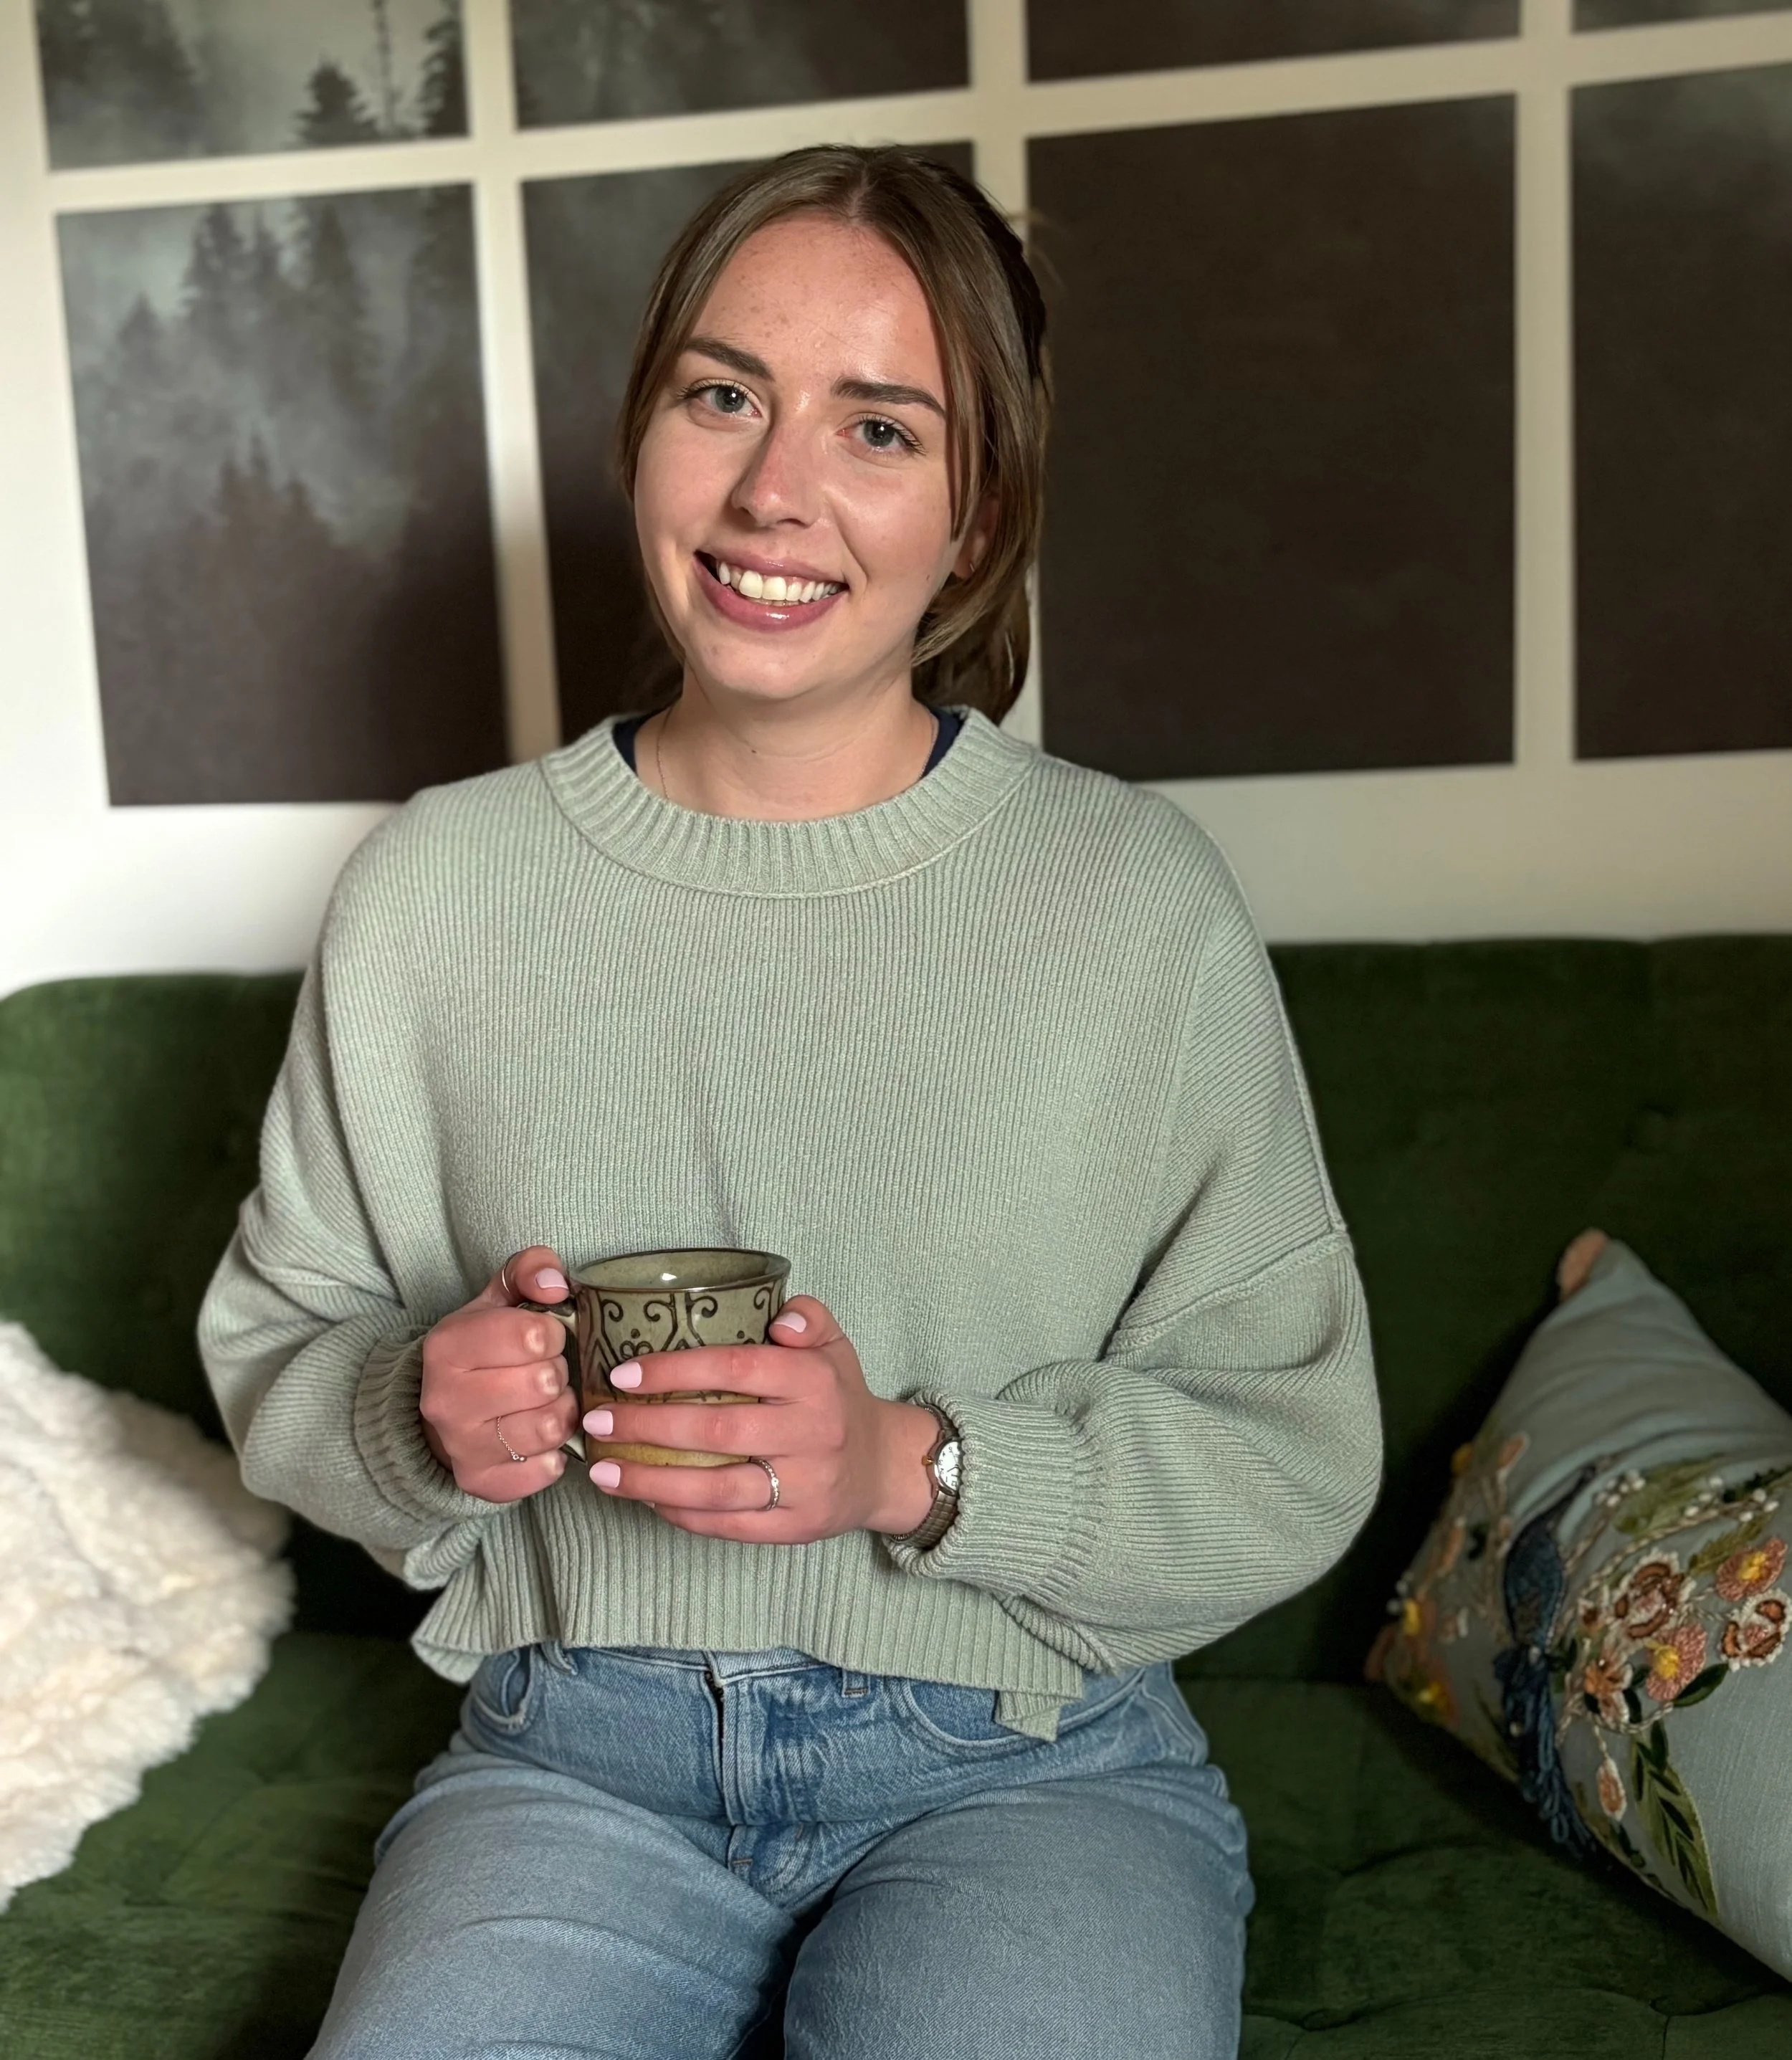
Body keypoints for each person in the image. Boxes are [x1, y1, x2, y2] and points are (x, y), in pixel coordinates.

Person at [199, 144, 1382, 2060]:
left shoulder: (1132, 902)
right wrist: (410, 1406)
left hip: (1028, 1773)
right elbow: (279, 1348)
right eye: (722, 394)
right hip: (568, 1758)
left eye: (880, 428)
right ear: (643, 431)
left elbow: (1291, 1447)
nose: (772, 491)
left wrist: (906, 1464)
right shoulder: (434, 890)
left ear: (978, 511)